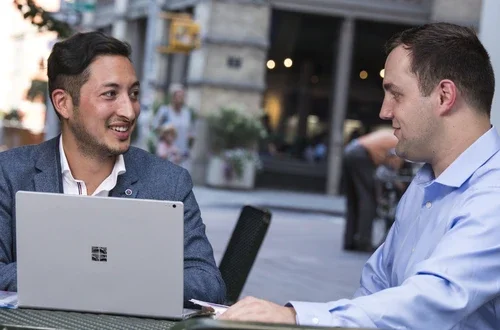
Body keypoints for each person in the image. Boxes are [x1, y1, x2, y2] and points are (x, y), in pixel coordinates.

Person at [219, 22, 500, 329]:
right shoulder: (424, 184)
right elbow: (375, 289)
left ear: (445, 96)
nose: (384, 111)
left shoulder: (492, 194)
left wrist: (296, 317)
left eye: (396, 94)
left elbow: (432, 300)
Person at [0, 31, 225, 306]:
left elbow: (207, 282)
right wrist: (101, 278)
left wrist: (104, 279)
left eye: (134, 94)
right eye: (110, 94)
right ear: (64, 103)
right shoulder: (9, 173)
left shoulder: (170, 182)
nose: (129, 111)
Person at [342, 129, 398, 252]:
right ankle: (364, 241)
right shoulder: (399, 141)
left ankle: (349, 241)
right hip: (362, 155)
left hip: (350, 150)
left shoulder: (388, 134)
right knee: (368, 199)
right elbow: (395, 169)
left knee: (353, 200)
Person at [151, 84, 195, 172]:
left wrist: (190, 138)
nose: (180, 99)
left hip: (182, 154)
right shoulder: (165, 111)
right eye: (178, 96)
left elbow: (190, 131)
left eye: (182, 96)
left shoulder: (187, 113)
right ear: (172, 97)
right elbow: (154, 127)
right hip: (167, 154)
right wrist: (165, 132)